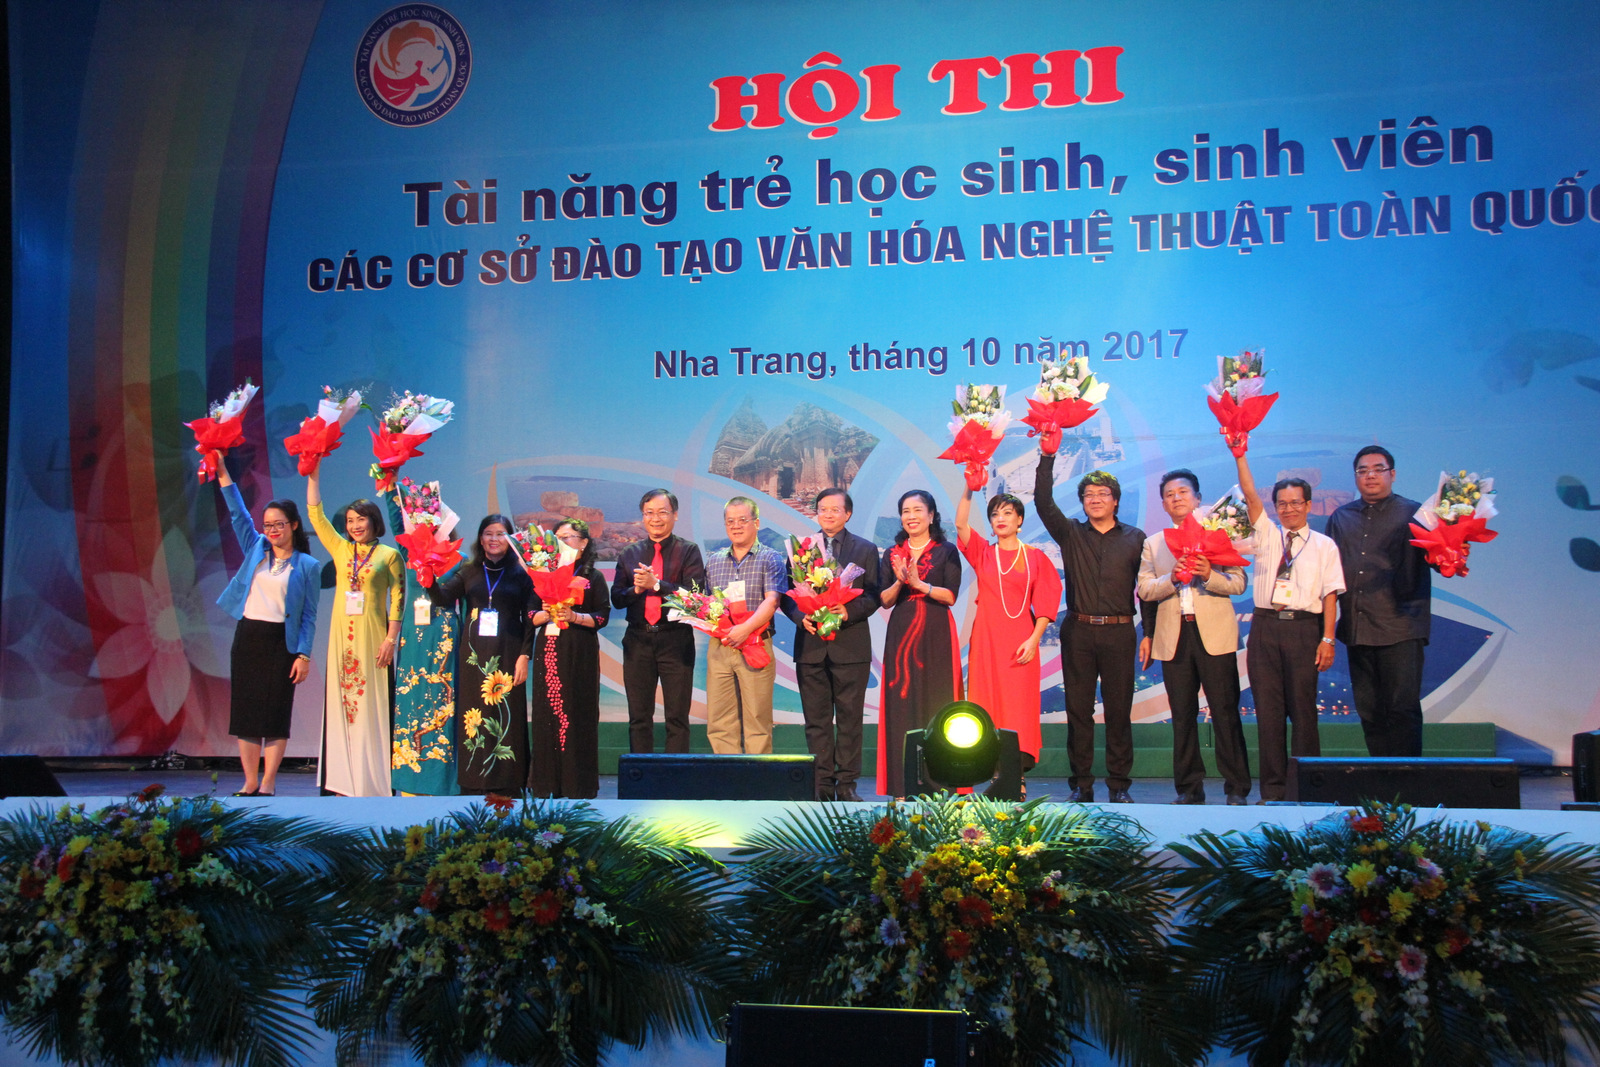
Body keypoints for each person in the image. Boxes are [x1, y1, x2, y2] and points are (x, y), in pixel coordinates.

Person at [1232, 450, 1345, 801]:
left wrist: (1328, 639)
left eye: (1296, 503)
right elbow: (1250, 495)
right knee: (1268, 713)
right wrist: (1240, 454)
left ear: (1309, 505)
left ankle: (1308, 788)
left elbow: (1330, 595)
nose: (1288, 509)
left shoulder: (1325, 546)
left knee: (1303, 711)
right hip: (1265, 628)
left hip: (1303, 629)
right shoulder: (1265, 534)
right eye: (1282, 503)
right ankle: (1273, 790)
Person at [1034, 455, 1145, 804]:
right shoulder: (1070, 533)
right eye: (1088, 495)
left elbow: (1149, 588)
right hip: (1078, 630)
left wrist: (1152, 632)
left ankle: (1119, 785)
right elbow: (1041, 501)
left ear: (1115, 499)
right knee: (1078, 711)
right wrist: (1047, 457)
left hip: (1119, 632)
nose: (1095, 499)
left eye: (1102, 493)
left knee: (1118, 711)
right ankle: (1082, 785)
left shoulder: (1135, 537)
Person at [1138, 469, 1252, 805]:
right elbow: (1144, 589)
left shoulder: (1220, 533)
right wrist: (1170, 580)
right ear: (1163, 503)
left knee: (1226, 711)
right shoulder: (1154, 544)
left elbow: (1238, 583)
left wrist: (1208, 575)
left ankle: (1237, 788)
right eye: (1170, 494)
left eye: (1183, 492)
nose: (1176, 498)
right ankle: (1188, 788)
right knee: (1182, 715)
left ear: (1198, 499)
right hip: (1174, 636)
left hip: (1214, 633)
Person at [212, 455, 321, 797]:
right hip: (249, 638)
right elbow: (237, 513)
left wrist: (303, 655)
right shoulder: (256, 548)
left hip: (281, 644)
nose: (272, 531)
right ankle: (248, 781)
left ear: (293, 526)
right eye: (268, 525)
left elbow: (308, 616)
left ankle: (269, 782)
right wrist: (222, 471)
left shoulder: (308, 565)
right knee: (246, 714)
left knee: (274, 715)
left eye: (279, 524)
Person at [306, 459, 405, 797]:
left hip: (374, 637)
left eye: (360, 519)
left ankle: (373, 778)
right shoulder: (340, 548)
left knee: (371, 704)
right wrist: (314, 474)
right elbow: (316, 516)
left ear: (373, 521)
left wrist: (391, 638)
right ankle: (341, 781)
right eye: (349, 521)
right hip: (341, 640)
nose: (354, 526)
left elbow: (398, 599)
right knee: (343, 702)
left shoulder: (390, 555)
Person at [1325, 446, 1431, 757]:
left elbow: (1440, 559)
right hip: (1358, 627)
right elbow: (1329, 573)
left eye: (1378, 468)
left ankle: (1408, 787)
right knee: (1370, 711)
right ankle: (1382, 782)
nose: (1370, 475)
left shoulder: (1417, 514)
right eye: (1362, 470)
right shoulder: (1341, 517)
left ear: (1392, 474)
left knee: (1402, 709)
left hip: (1401, 624)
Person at [954, 488, 1062, 787]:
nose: (1000, 519)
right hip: (987, 641)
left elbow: (1046, 601)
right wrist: (968, 488)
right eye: (994, 514)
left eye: (1007, 513)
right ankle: (993, 773)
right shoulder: (984, 553)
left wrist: (1034, 639)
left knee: (1017, 708)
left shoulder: (1035, 557)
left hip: (1020, 642)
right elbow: (961, 524)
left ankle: (1016, 775)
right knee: (986, 704)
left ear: (1020, 520)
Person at [784, 488, 880, 801]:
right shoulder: (802, 550)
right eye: (822, 509)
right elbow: (788, 596)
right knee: (817, 721)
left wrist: (847, 610)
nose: (828, 514)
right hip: (811, 648)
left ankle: (848, 786)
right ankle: (822, 785)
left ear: (847, 514)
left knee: (850, 721)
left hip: (850, 648)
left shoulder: (864, 549)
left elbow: (874, 595)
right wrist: (802, 618)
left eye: (835, 510)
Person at [429, 514, 534, 793]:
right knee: (474, 715)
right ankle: (475, 780)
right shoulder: (469, 571)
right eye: (488, 533)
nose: (494, 539)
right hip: (474, 656)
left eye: (500, 534)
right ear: (480, 538)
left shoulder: (523, 574)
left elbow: (531, 618)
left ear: (510, 539)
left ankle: (509, 781)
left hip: (509, 653)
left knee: (505, 715)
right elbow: (442, 598)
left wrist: (525, 655)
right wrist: (428, 580)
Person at [876, 490, 962, 797]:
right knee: (900, 705)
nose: (910, 516)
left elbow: (950, 595)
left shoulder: (946, 551)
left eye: (917, 510)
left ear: (931, 515)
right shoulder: (891, 553)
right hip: (901, 632)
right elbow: (884, 601)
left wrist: (920, 584)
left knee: (938, 703)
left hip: (936, 631)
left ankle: (941, 785)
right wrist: (901, 581)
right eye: (905, 511)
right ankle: (902, 786)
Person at [611, 489, 706, 753]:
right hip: (637, 640)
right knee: (639, 717)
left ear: (675, 515)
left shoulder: (688, 551)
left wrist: (657, 585)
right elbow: (617, 599)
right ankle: (641, 782)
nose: (656, 519)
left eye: (663, 512)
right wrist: (637, 590)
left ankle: (676, 783)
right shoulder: (630, 553)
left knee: (677, 717)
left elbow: (696, 598)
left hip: (675, 639)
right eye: (649, 513)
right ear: (642, 517)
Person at [385, 491, 461, 796]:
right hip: (413, 638)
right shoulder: (409, 555)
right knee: (409, 700)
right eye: (422, 521)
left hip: (443, 637)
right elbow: (395, 521)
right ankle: (409, 780)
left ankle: (440, 779)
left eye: (434, 521)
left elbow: (465, 605)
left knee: (442, 703)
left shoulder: (459, 559)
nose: (428, 526)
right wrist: (391, 486)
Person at [527, 519, 610, 798]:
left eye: (570, 536)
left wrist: (574, 616)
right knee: (547, 712)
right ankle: (547, 783)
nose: (563, 541)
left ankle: (578, 784)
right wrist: (547, 612)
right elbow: (528, 616)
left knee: (578, 712)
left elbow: (602, 616)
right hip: (549, 648)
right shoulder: (540, 575)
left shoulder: (593, 577)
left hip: (580, 650)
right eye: (558, 536)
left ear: (584, 543)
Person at [704, 497, 787, 755]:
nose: (736, 526)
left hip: (756, 644)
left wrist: (745, 629)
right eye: (730, 521)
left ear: (757, 523)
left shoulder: (771, 559)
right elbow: (708, 604)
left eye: (743, 520)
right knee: (719, 721)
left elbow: (772, 601)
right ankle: (728, 780)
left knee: (757, 721)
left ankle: (758, 784)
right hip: (721, 647)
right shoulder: (714, 561)